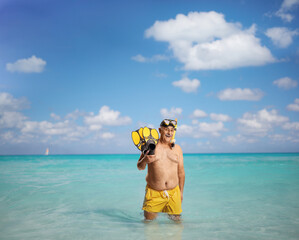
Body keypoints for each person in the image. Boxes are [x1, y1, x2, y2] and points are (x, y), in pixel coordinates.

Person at [137, 119, 185, 221]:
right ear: (160, 130)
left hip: (174, 194)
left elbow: (181, 172)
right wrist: (145, 160)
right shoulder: (150, 146)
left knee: (177, 225)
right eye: (166, 129)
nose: (169, 132)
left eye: (172, 130)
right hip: (154, 193)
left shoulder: (177, 149)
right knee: (149, 225)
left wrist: (181, 192)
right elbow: (140, 167)